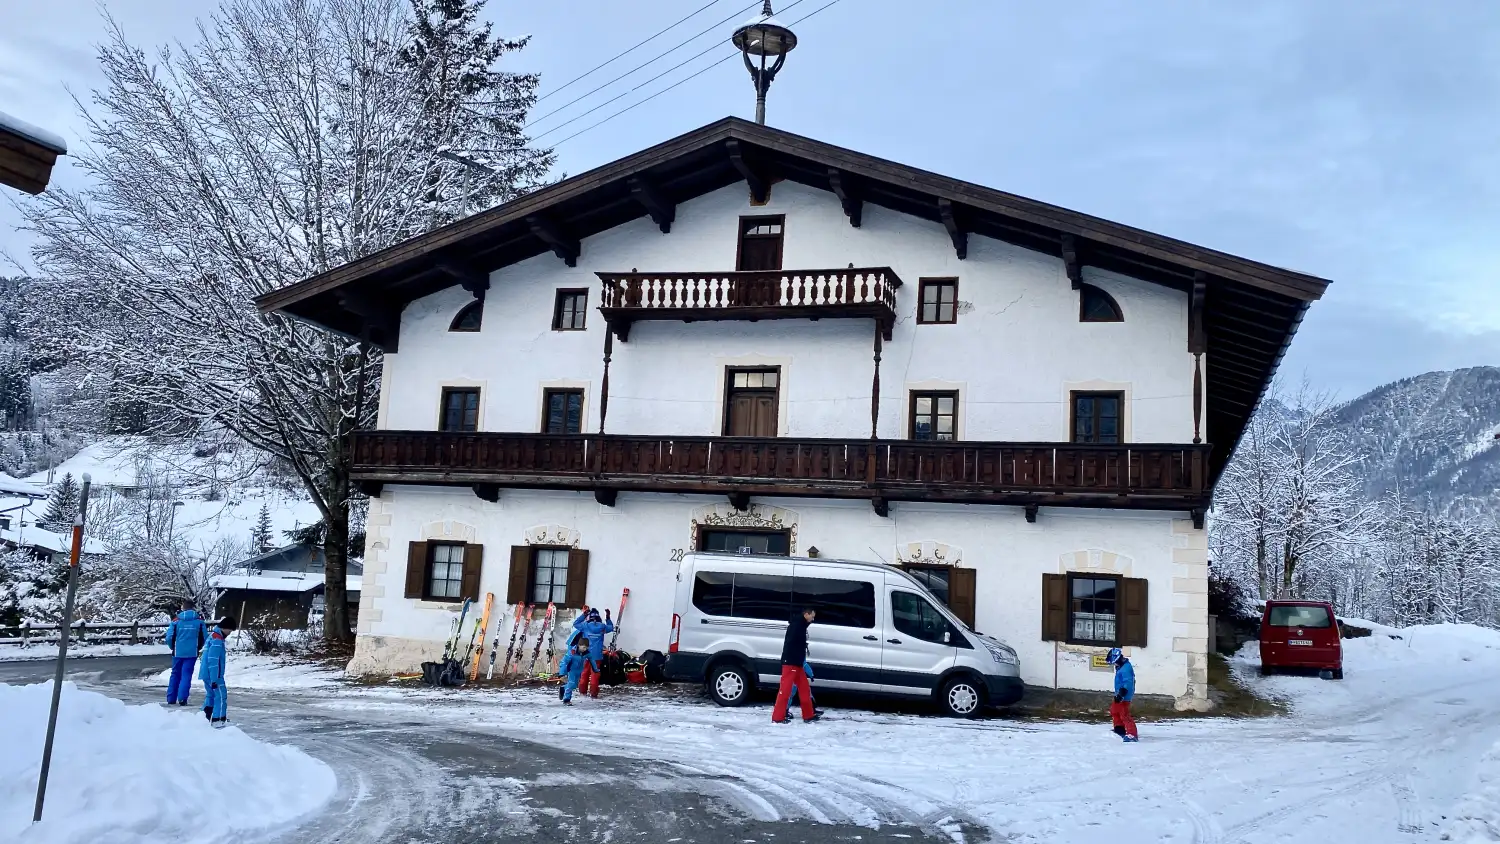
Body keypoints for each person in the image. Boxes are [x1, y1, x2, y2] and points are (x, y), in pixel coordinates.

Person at [772, 607, 819, 723]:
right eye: (812, 616)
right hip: (791, 663)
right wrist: (795, 657)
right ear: (806, 614)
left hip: (797, 663)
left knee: (805, 689)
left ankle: (808, 715)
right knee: (785, 690)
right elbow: (791, 644)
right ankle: (777, 718)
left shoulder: (801, 625)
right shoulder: (797, 626)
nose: (813, 619)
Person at [163, 607, 207, 706]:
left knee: (175, 674)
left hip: (177, 652)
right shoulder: (199, 622)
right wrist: (198, 647)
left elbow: (169, 637)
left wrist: (172, 647)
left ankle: (171, 698)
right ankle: (182, 698)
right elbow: (204, 637)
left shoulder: (176, 621)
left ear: (183, 609)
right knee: (186, 675)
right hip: (192, 653)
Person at [199, 616, 237, 727]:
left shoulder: (214, 636)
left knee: (211, 696)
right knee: (220, 696)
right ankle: (218, 720)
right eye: (229, 630)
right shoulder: (217, 640)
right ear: (224, 627)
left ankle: (203, 719)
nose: (229, 633)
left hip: (207, 673)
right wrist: (214, 679)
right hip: (214, 675)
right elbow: (213, 660)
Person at [572, 607, 614, 699]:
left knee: (584, 673)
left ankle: (582, 692)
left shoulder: (585, 626)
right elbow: (611, 628)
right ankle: (593, 693)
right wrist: (608, 617)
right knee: (595, 674)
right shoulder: (602, 627)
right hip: (597, 656)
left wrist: (584, 615)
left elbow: (575, 623)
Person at [1107, 647, 1138, 742]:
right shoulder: (1121, 666)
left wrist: (1122, 694)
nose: (1114, 664)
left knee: (1124, 714)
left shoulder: (1126, 668)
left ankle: (1132, 734)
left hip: (1124, 695)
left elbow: (1128, 682)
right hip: (1119, 694)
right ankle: (1119, 728)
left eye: (1114, 662)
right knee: (1114, 710)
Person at [555, 639, 590, 705]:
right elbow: (564, 662)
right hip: (571, 670)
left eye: (586, 647)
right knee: (571, 683)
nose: (585, 649)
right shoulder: (572, 652)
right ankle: (566, 700)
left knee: (574, 685)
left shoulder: (585, 653)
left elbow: (590, 658)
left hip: (579, 671)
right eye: (584, 647)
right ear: (579, 645)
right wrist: (562, 673)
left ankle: (563, 688)